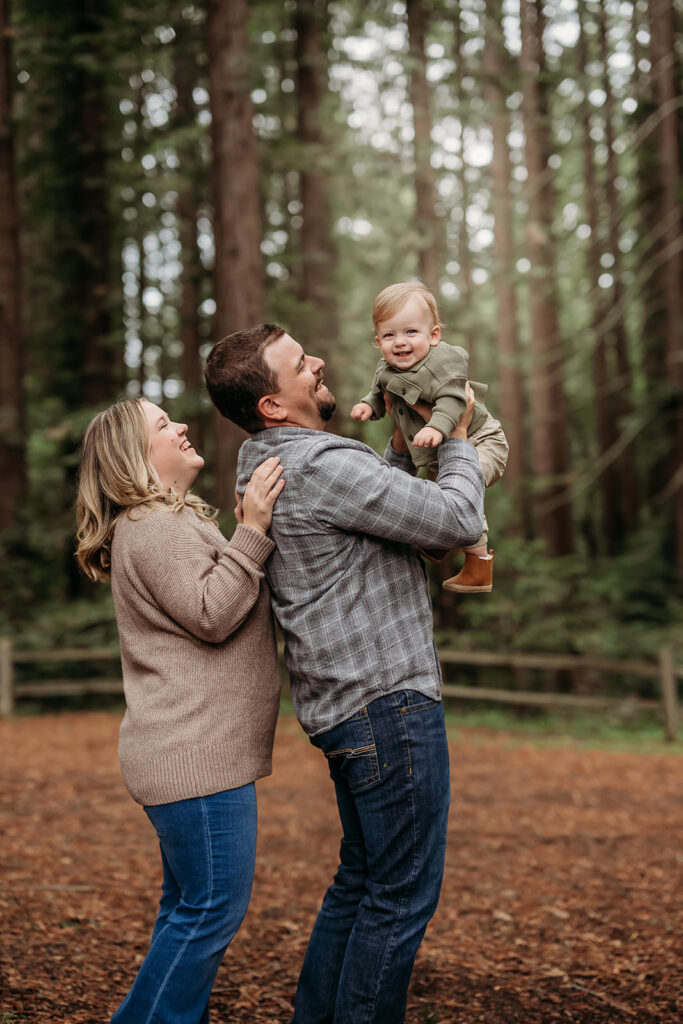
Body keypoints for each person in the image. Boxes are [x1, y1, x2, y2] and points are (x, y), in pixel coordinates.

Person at [204, 322, 485, 1024]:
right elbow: (451, 520)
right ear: (272, 404)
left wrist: (401, 439)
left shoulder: (266, 461)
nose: (318, 361)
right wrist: (459, 438)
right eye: (299, 363)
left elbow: (385, 499)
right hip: (385, 702)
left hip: (343, 706)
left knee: (362, 882)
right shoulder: (324, 465)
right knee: (400, 896)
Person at [74, 397, 284, 1024]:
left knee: (188, 907)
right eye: (163, 425)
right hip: (194, 758)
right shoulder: (152, 526)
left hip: (193, 753)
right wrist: (253, 528)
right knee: (211, 908)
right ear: (135, 459)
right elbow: (214, 613)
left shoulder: (163, 523)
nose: (182, 426)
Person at [351, 280, 509, 593]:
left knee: (467, 487)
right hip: (442, 456)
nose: (400, 342)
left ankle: (479, 565)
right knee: (439, 501)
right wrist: (368, 406)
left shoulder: (442, 363)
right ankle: (439, 544)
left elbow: (454, 400)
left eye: (411, 332)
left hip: (481, 440)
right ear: (378, 340)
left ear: (433, 335)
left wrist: (437, 426)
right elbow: (380, 394)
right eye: (389, 335)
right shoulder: (387, 369)